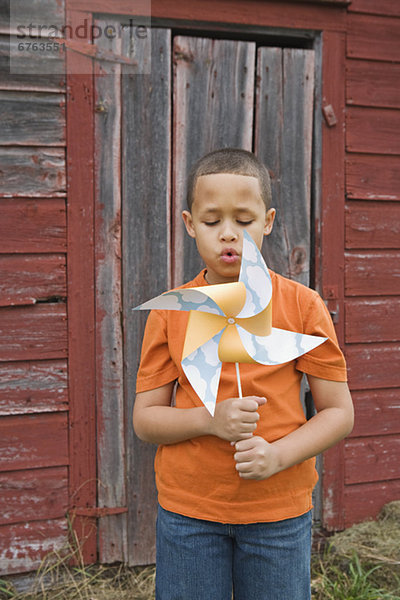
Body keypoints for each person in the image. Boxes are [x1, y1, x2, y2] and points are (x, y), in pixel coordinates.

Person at [133, 148, 354, 600]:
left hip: (279, 511)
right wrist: (209, 421)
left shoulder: (302, 306)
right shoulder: (172, 313)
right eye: (212, 222)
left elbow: (339, 413)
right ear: (190, 224)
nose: (229, 234)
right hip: (189, 512)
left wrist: (278, 456)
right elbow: (145, 420)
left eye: (245, 220)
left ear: (268, 221)